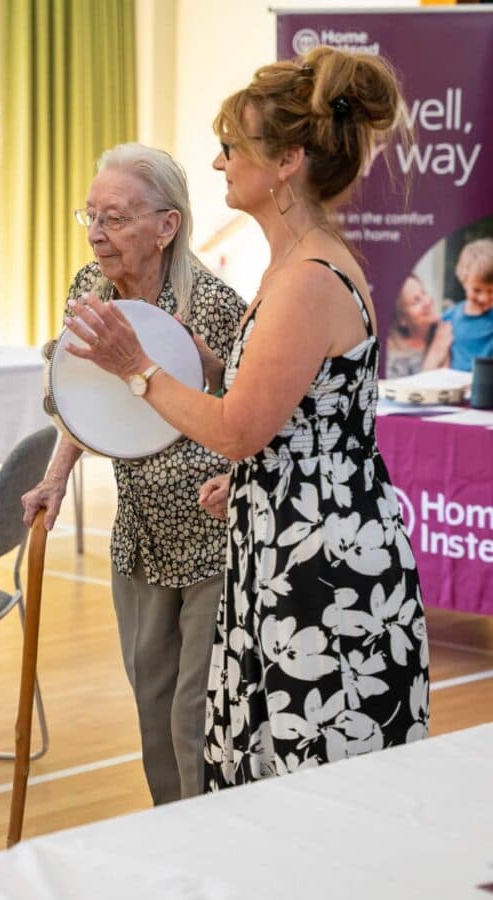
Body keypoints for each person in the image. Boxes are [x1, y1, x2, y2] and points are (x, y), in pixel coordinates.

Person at [64, 47, 430, 791]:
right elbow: (300, 424)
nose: (220, 161)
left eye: (233, 146)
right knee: (274, 778)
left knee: (320, 787)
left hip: (322, 568)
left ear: (288, 159)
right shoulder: (293, 264)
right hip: (291, 538)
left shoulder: (305, 278)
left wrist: (139, 366)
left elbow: (236, 429)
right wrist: (256, 479)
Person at [21, 143, 246, 806]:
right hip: (142, 537)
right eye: (89, 215)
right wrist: (57, 476)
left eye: (115, 218)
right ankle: (173, 848)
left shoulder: (216, 307)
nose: (96, 233)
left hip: (213, 540)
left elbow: (255, 419)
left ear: (166, 226)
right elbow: (84, 399)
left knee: (192, 721)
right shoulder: (89, 290)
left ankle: (212, 857)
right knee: (153, 717)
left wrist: (239, 476)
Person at [385, 274, 451, 376]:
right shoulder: (394, 358)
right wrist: (435, 353)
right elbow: (412, 391)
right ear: (402, 319)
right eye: (416, 301)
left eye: (424, 293)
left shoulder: (445, 329)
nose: (428, 301)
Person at [443, 237, 493, 371]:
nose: (484, 298)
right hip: (456, 387)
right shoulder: (450, 318)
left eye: (491, 291)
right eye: (477, 290)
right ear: (464, 282)